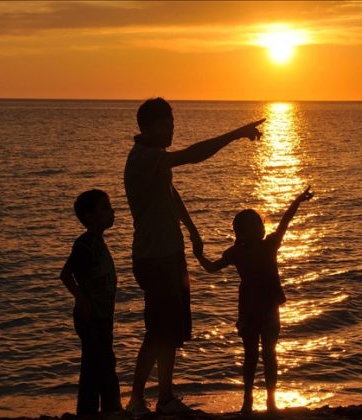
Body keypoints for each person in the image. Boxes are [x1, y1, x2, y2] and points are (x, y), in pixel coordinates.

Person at [124, 97, 265, 415]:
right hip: (154, 257)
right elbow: (192, 156)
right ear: (149, 127)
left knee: (171, 330)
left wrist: (191, 229)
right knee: (157, 330)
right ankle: (135, 400)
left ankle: (166, 398)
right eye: (166, 124)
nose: (172, 128)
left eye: (173, 122)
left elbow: (171, 193)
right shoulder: (144, 158)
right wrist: (235, 134)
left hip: (170, 254)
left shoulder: (155, 158)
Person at [194, 186, 314, 414]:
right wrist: (199, 254)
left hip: (267, 307)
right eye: (253, 225)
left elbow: (286, 220)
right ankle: (248, 400)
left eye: (260, 223)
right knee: (252, 356)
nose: (260, 227)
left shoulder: (270, 244)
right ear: (241, 232)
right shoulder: (237, 252)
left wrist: (298, 200)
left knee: (268, 354)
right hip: (250, 310)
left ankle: (270, 401)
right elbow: (211, 268)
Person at [59, 189, 122, 417]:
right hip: (91, 316)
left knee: (100, 362)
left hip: (102, 315)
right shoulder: (85, 245)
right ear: (89, 216)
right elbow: (67, 274)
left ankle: (102, 409)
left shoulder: (96, 242)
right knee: (99, 364)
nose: (112, 211)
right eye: (105, 207)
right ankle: (104, 409)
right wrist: (81, 298)